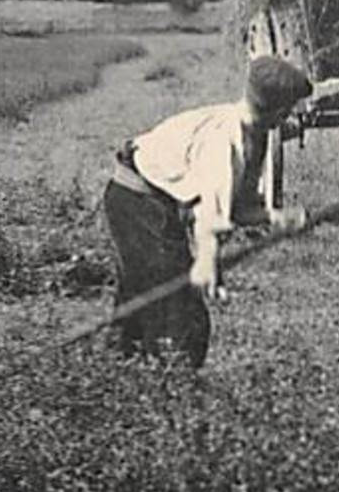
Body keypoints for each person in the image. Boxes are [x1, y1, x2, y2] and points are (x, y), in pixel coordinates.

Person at [101, 55, 313, 367]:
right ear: (279, 111)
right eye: (293, 108)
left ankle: (116, 371)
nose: (296, 116)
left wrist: (276, 217)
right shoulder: (223, 142)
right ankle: (174, 388)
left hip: (154, 200)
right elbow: (209, 218)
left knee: (141, 296)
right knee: (182, 318)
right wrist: (205, 263)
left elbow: (235, 209)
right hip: (136, 201)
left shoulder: (256, 134)